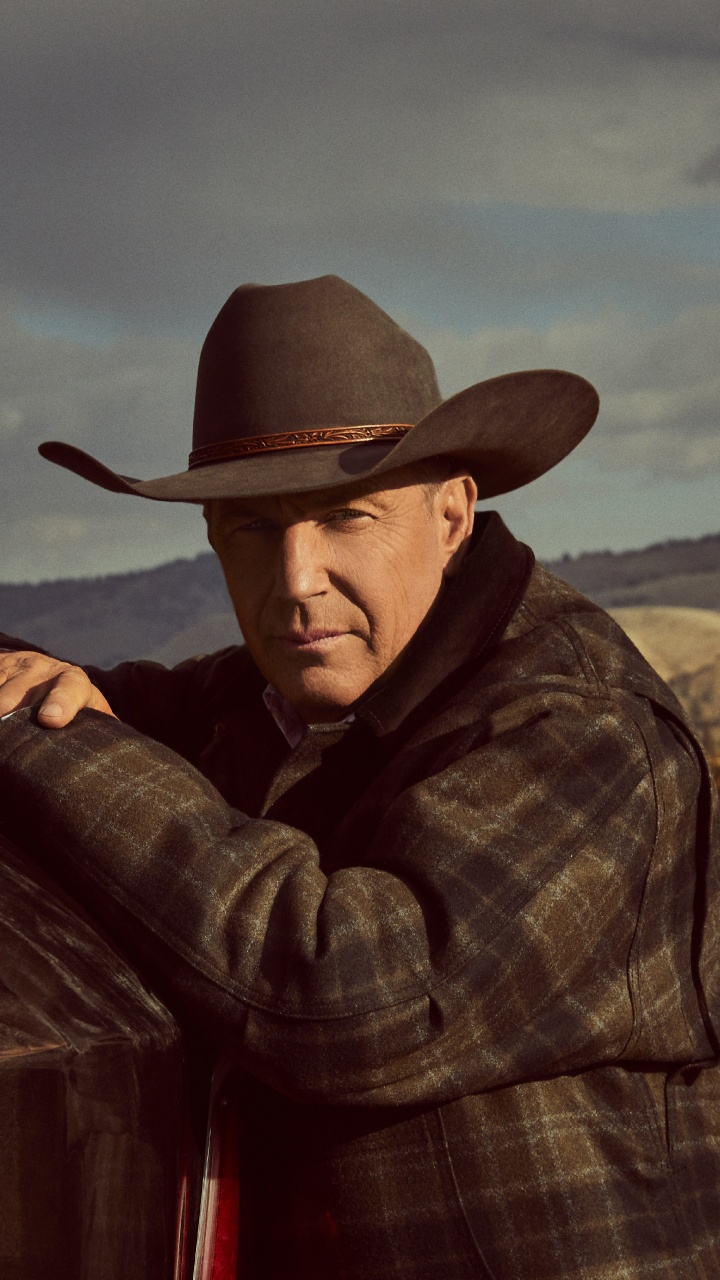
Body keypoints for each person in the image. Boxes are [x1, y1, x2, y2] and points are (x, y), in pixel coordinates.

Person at [0, 275, 718, 1279]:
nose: (295, 580)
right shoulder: (273, 697)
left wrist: (41, 739)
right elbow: (92, 695)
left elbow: (350, 992)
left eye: (345, 516)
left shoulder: (587, 731)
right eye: (252, 529)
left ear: (454, 512)